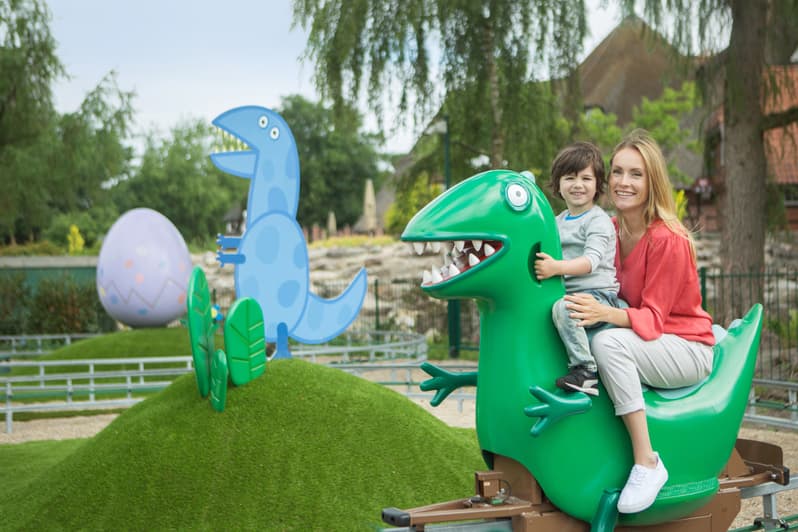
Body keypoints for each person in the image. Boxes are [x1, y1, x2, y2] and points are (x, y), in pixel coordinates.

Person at [562, 129, 715, 514]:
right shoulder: (608, 229)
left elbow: (653, 318)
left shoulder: (669, 238)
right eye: (617, 172)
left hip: (685, 345)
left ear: (652, 182)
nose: (623, 182)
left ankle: (648, 462)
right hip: (644, 340)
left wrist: (603, 314)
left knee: (606, 343)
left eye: (636, 174)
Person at [535, 142, 626, 396]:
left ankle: (586, 371)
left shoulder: (598, 220)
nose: (578, 185)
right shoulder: (557, 222)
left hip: (599, 296)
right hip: (570, 294)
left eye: (586, 178)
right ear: (558, 184)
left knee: (565, 308)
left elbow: (590, 262)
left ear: (597, 185)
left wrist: (555, 268)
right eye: (570, 178)